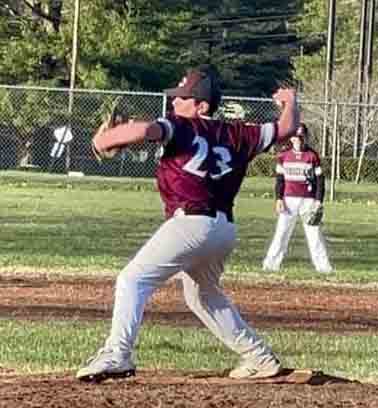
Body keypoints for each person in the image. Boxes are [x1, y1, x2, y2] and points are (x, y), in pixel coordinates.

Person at [77, 65, 300, 383]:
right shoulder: (239, 133)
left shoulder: (181, 126)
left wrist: (103, 141)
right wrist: (291, 101)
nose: (174, 103)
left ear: (202, 106)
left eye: (182, 98)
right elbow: (286, 128)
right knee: (203, 294)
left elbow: (144, 131)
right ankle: (259, 358)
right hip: (223, 229)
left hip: (190, 223)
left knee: (132, 280)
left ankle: (117, 354)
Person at [262, 123, 333, 273]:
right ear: (291, 138)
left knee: (314, 235)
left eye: (301, 136)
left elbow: (320, 180)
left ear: (305, 137)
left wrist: (318, 201)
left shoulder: (312, 156)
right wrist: (279, 198)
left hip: (308, 200)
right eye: (295, 136)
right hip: (289, 200)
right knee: (281, 233)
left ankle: (323, 268)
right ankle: (270, 265)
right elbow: (280, 180)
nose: (298, 139)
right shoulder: (284, 155)